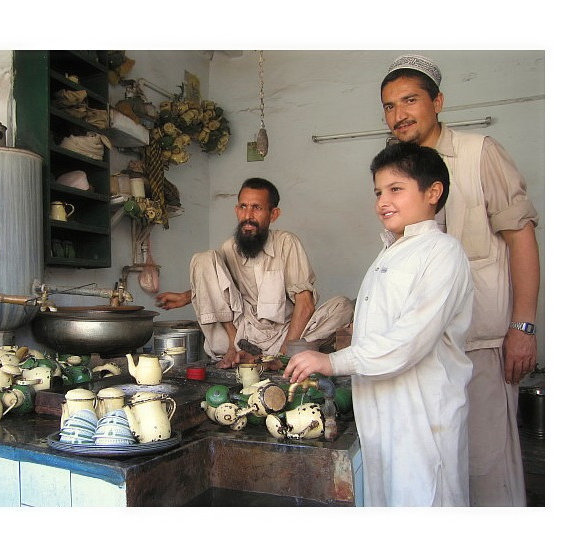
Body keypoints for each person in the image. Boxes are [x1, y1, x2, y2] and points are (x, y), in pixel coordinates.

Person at [379, 54, 540, 506]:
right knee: (439, 472)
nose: (399, 114)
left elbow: (521, 240)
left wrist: (523, 327)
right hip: (423, 351)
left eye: (410, 100)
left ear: (438, 102)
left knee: (487, 471)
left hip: (481, 344)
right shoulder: (398, 172)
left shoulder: (479, 153)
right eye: (389, 106)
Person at [285, 142, 474, 506]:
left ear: (433, 192)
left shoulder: (443, 253)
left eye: (395, 189)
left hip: (421, 416)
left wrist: (333, 361)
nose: (382, 201)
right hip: (381, 411)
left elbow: (409, 340)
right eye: (378, 192)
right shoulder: (390, 252)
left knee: (425, 504)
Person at [155, 177, 354, 368]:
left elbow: (305, 304)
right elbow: (219, 287)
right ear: (236, 210)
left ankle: (280, 357)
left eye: (257, 208)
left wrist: (283, 355)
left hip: (283, 337)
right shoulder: (229, 248)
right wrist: (185, 297)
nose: (248, 216)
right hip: (239, 335)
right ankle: (235, 351)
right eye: (243, 207)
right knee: (204, 258)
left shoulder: (286, 243)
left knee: (343, 306)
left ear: (273, 214)